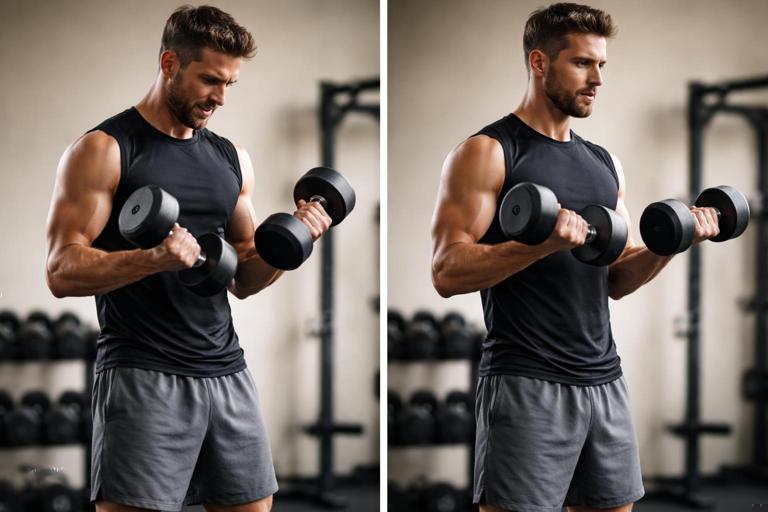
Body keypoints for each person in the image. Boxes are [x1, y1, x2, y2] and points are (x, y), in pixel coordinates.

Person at [430, 3, 720, 512]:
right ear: (539, 63)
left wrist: (672, 243)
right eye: (583, 63)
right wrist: (539, 243)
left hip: (604, 380)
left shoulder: (605, 165)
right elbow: (447, 272)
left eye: (602, 65)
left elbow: (614, 280)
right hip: (526, 382)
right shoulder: (489, 152)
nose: (598, 79)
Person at [45, 5, 331, 512]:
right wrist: (151, 259)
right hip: (142, 374)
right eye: (209, 80)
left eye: (230, 85)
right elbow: (61, 271)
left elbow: (244, 274)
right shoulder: (106, 149)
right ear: (169, 63)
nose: (220, 98)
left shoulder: (230, 158)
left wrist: (294, 242)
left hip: (227, 372)